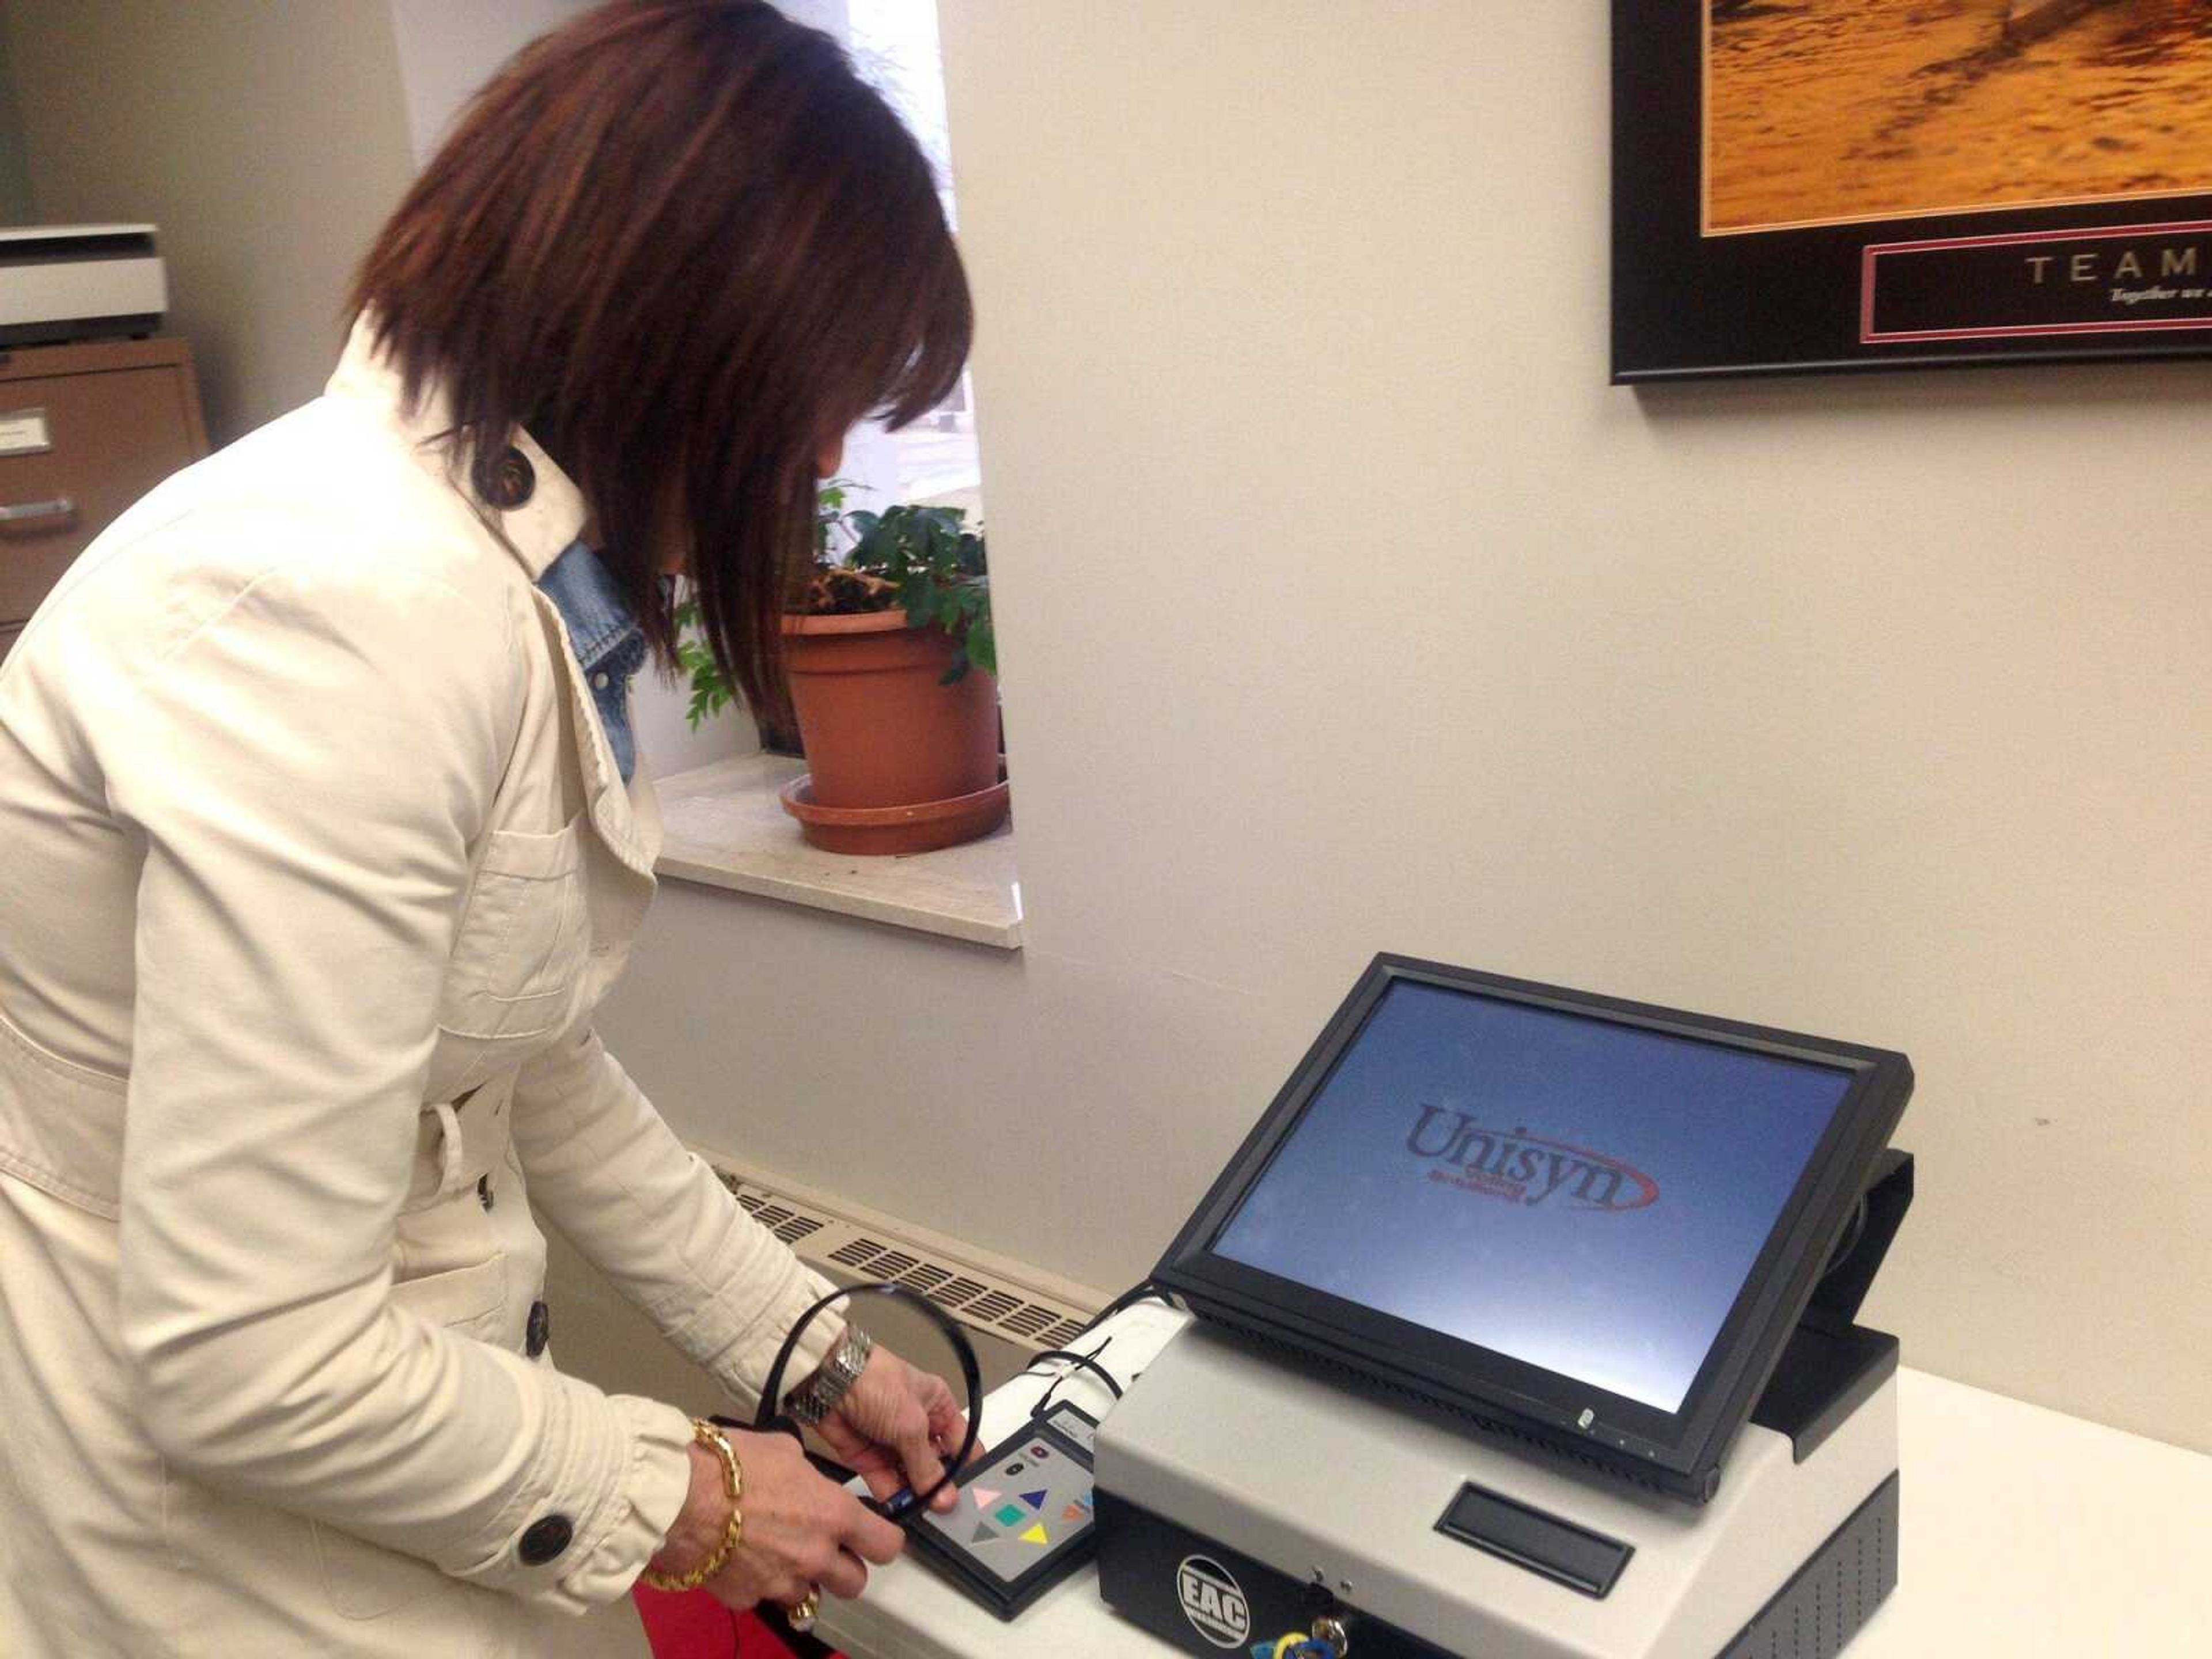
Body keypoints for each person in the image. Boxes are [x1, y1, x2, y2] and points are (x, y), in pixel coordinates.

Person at [0, 3, 978, 1654]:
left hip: (405, 1425)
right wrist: (693, 1496)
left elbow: (513, 1057)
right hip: (218, 1550)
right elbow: (247, 1360)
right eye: (820, 396)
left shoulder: (489, 563)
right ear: (688, 335)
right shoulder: (334, 612)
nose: (819, 457)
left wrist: (802, 1344)